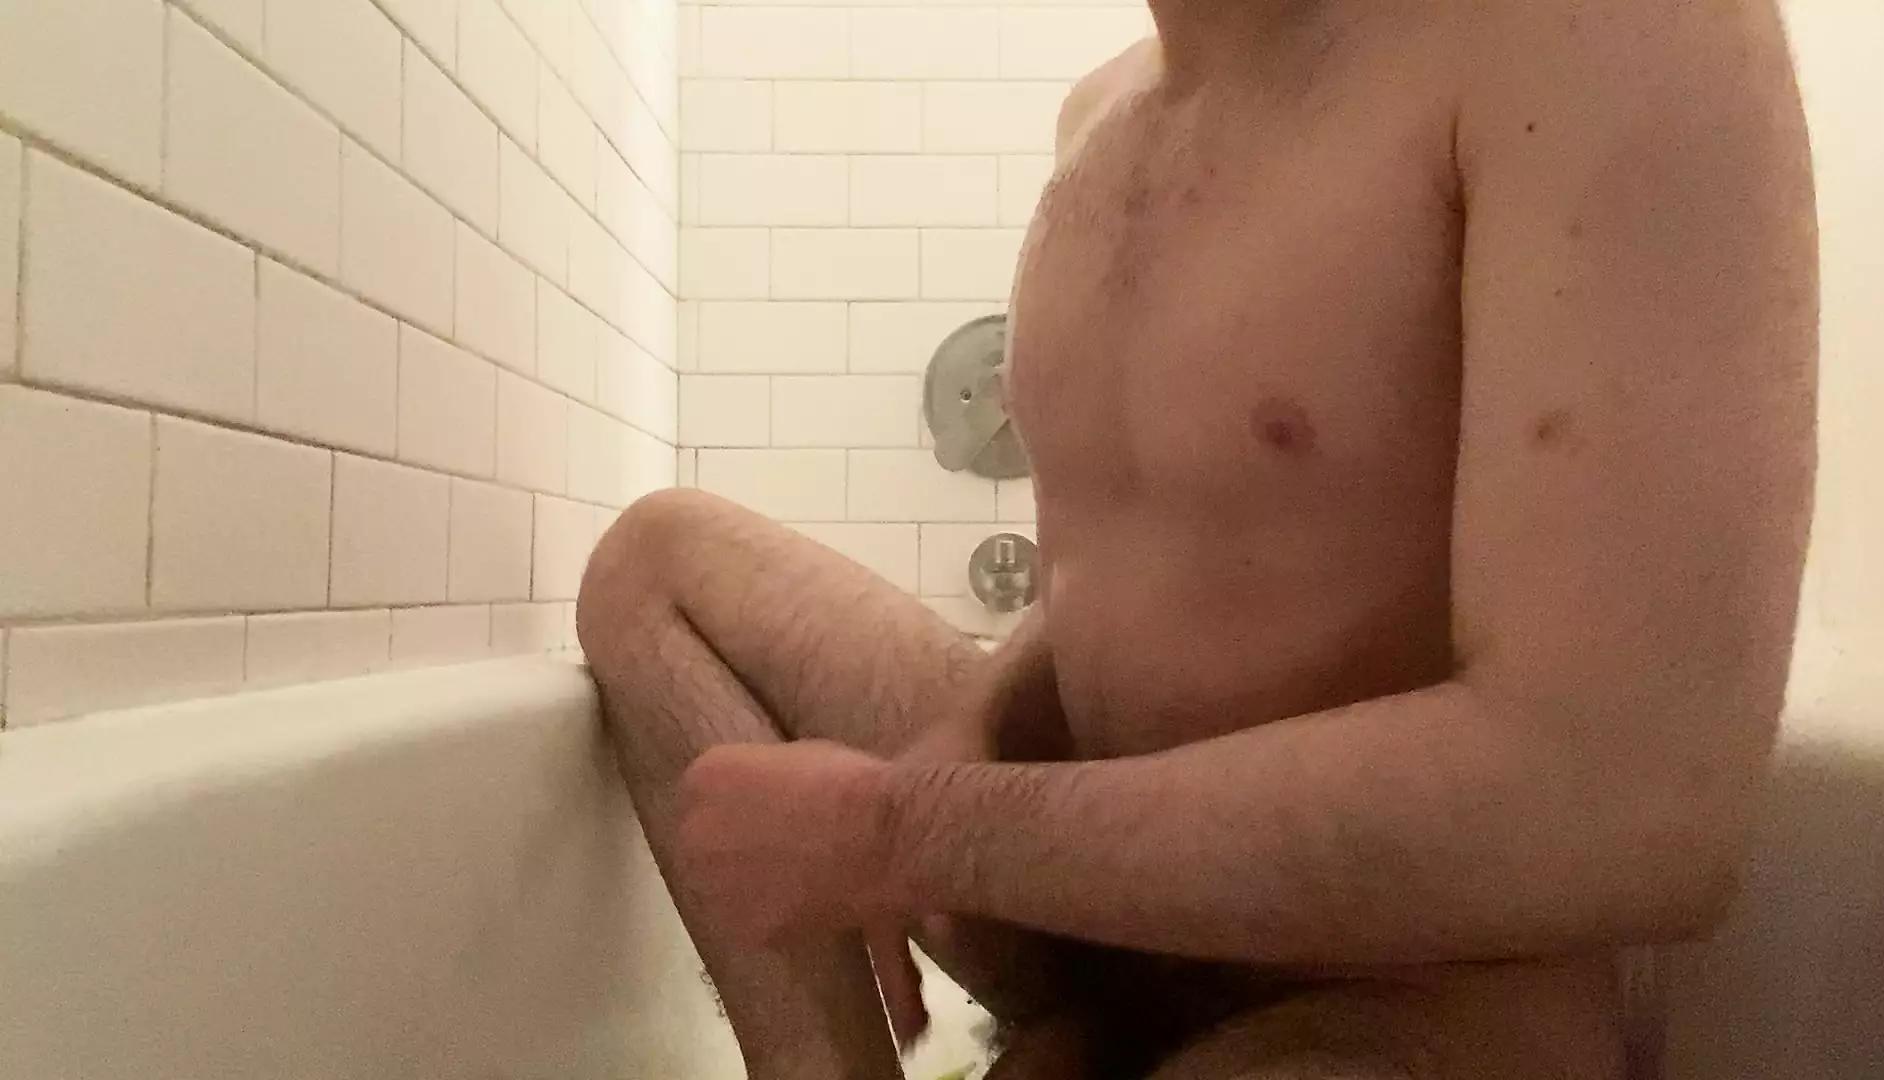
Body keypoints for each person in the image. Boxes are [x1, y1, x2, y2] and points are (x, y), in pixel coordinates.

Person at [576, 0, 1818, 1075]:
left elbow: (1632, 807)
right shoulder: (1104, 110)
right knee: (657, 568)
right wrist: (975, 718)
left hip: (1395, 987)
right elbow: (1149, 564)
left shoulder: (1591, 33)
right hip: (1088, 919)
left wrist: (901, 832)